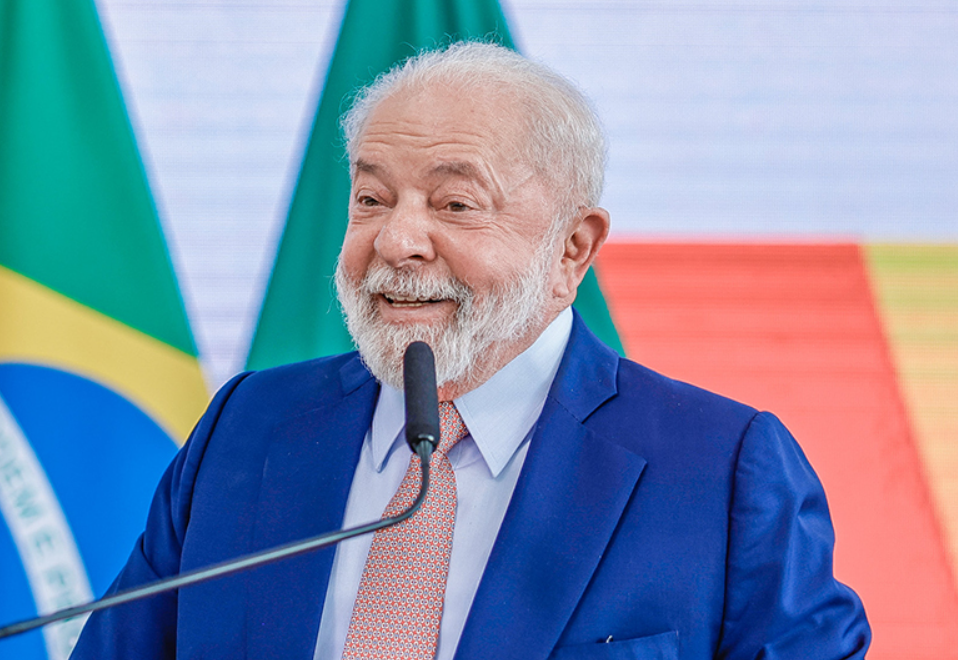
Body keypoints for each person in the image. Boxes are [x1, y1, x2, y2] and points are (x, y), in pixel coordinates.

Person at [71, 42, 870, 660]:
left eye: (455, 203)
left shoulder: (722, 472)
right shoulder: (248, 429)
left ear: (572, 249)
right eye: (371, 198)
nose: (397, 240)